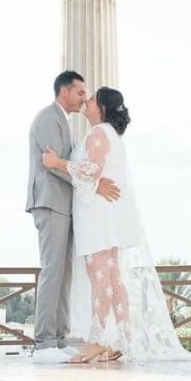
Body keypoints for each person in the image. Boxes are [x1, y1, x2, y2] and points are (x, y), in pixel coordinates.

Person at [43, 86, 186, 363]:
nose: (87, 100)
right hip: (107, 214)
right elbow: (100, 173)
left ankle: (97, 339)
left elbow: (92, 170)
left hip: (96, 214)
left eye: (93, 97)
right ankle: (120, 338)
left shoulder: (98, 133)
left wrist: (57, 162)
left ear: (103, 108)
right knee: (112, 277)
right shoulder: (112, 135)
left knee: (100, 275)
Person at [27, 71, 121, 364]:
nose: (83, 99)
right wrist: (94, 184)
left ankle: (58, 339)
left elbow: (68, 163)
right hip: (50, 202)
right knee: (53, 270)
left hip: (65, 205)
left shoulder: (65, 123)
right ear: (64, 91)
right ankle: (44, 343)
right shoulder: (47, 118)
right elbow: (53, 165)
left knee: (64, 273)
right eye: (80, 93)